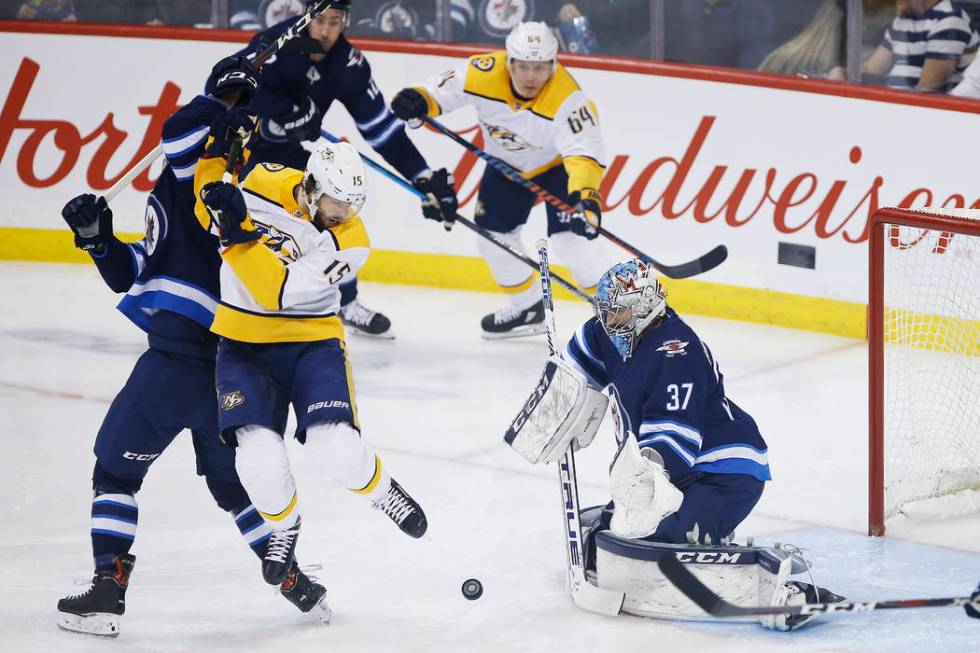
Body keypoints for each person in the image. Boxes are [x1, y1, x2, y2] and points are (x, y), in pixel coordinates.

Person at [54, 57, 330, 637]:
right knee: (233, 487)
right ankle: (291, 580)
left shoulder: (209, 175)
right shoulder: (198, 181)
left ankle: (109, 584)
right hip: (230, 367)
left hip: (178, 361)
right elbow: (140, 272)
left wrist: (227, 106)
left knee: (114, 473)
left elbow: (178, 128)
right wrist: (99, 242)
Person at [506, 259, 843, 630]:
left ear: (646, 306)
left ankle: (787, 595)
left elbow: (671, 445)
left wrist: (644, 491)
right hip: (678, 470)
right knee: (606, 530)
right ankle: (695, 527)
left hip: (724, 474)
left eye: (616, 310)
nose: (608, 320)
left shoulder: (676, 352)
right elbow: (572, 372)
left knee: (649, 538)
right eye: (604, 310)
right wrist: (555, 410)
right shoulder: (611, 331)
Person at [195, 141, 428, 593]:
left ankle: (383, 494)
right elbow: (207, 207)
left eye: (352, 204)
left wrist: (235, 230)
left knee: (333, 447)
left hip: (311, 342)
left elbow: (274, 290)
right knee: (257, 458)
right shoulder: (262, 179)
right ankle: (284, 526)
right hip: (242, 344)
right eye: (336, 201)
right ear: (311, 185)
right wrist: (214, 156)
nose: (344, 212)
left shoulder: (352, 241)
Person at [233, 0, 459, 339]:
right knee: (223, 218)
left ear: (346, 21)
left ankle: (345, 301)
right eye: (320, 20)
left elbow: (381, 130)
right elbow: (229, 88)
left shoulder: (349, 65)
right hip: (240, 148)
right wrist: (282, 112)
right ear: (306, 16)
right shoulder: (276, 42)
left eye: (335, 22)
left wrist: (422, 176)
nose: (326, 31)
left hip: (288, 157)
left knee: (333, 210)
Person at [391, 21, 610, 338]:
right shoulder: (482, 72)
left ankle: (620, 315)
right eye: (523, 67)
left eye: (540, 67)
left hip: (556, 166)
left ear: (553, 64)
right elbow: (439, 91)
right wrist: (418, 99)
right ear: (509, 61)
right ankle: (528, 308)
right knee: (491, 237)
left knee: (572, 241)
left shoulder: (569, 99)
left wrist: (586, 197)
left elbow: (584, 154)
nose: (531, 77)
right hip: (505, 166)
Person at [829, 0, 979, 92]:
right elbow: (872, 67)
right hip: (898, 106)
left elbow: (927, 88)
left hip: (927, 117)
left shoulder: (950, 20)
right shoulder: (903, 19)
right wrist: (842, 73)